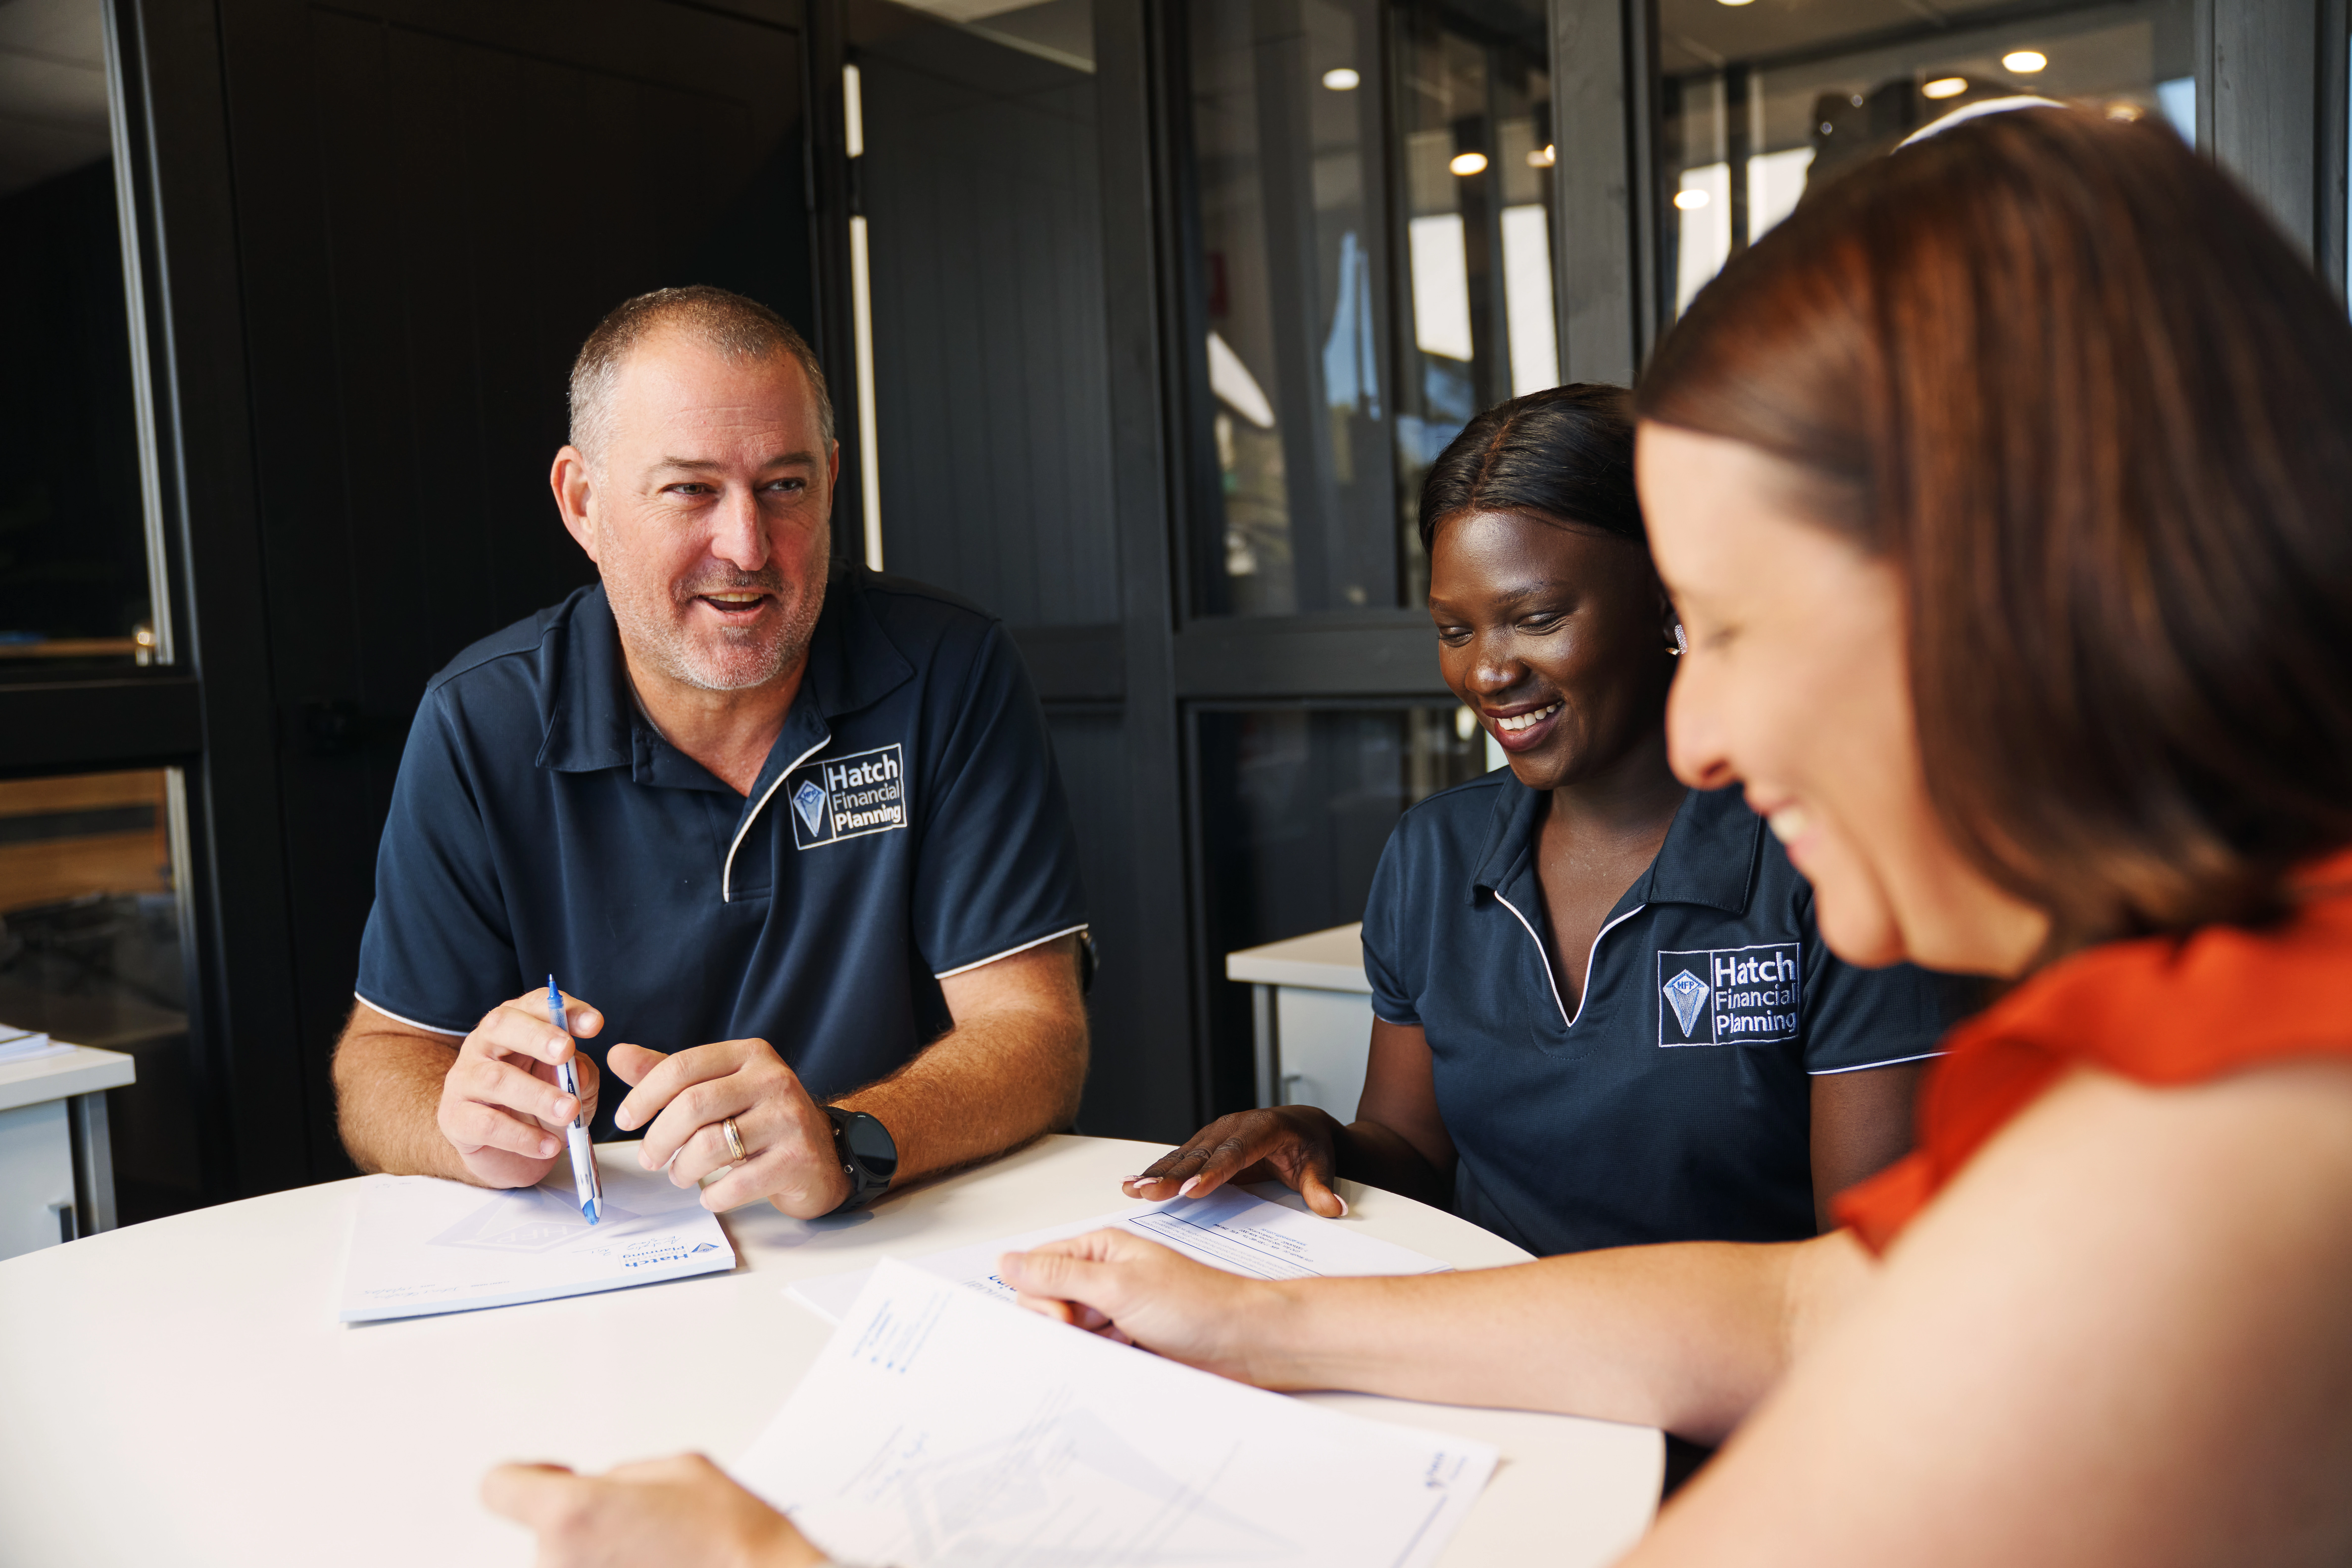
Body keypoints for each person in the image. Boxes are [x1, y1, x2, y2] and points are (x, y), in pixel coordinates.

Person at [486, 108, 2352, 1565]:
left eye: (1752, 628)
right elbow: (1815, 1300)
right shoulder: (2206, 1030)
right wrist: (1242, 1323)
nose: (1700, 721)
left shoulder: (2226, 1160)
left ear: (2026, 600)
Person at [1127, 386, 1967, 1254]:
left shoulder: (1825, 858)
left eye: (1537, 619)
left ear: (1669, 597)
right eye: (1455, 631)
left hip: (1740, 1375)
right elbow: (1416, 1151)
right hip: (1490, 1360)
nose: (1489, 674)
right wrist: (1322, 1141)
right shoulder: (1436, 855)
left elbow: (1863, 1269)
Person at [333, 286, 1091, 1220]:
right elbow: (381, 1062)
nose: (747, 545)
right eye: (691, 489)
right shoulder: (479, 720)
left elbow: (1035, 1029)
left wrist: (846, 1138)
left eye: (786, 486)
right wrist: (463, 1126)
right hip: (604, 1264)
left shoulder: (947, 669)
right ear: (581, 502)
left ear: (832, 479)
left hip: (891, 1229)